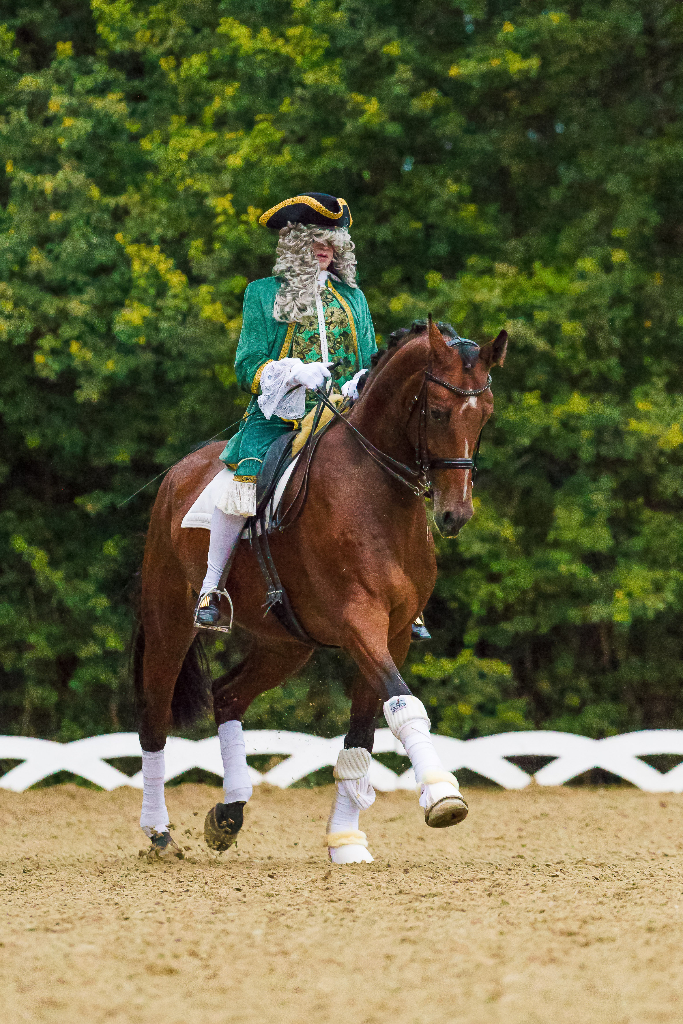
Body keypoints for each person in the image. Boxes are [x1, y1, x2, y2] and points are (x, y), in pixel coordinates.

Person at [194, 192, 431, 641]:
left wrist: (358, 382)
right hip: (282, 414)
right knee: (244, 481)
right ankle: (211, 589)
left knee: (400, 475)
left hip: (344, 412)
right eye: (315, 241)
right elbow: (247, 366)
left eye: (332, 242)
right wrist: (294, 373)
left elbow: (369, 360)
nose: (325, 250)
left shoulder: (352, 298)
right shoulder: (262, 294)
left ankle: (409, 597)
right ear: (293, 244)